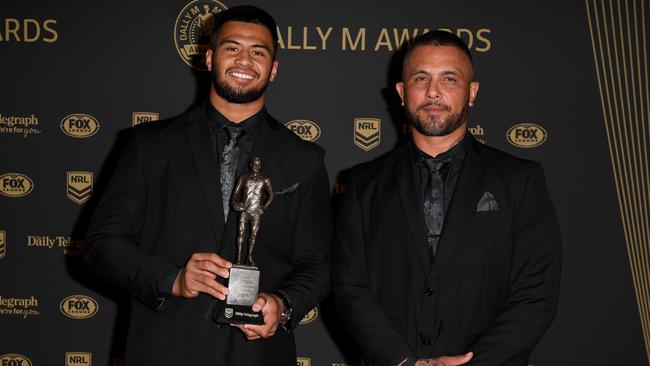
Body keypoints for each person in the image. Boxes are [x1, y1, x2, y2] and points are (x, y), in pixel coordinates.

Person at [83, 5, 331, 365]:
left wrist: (284, 304)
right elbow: (100, 247)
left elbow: (319, 263)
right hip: (163, 350)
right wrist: (173, 279)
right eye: (232, 48)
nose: (244, 60)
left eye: (258, 52)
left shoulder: (305, 158)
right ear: (210, 57)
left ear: (273, 68)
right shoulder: (148, 145)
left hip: (257, 354)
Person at [332, 30, 561, 366]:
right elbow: (349, 288)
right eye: (420, 78)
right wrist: (401, 360)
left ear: (471, 93)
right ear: (402, 92)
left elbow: (536, 292)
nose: (433, 92)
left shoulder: (519, 180)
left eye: (449, 79)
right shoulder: (361, 185)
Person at [231, 157, 274, 265]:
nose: (257, 167)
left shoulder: (265, 179)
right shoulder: (243, 178)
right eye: (255, 164)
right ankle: (239, 258)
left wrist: (263, 207)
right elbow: (235, 195)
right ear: (250, 164)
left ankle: (249, 256)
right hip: (244, 210)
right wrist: (235, 204)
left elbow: (271, 195)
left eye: (259, 165)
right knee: (240, 234)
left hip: (256, 211)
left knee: (253, 235)